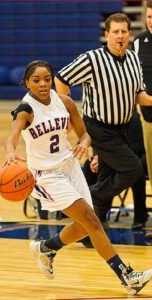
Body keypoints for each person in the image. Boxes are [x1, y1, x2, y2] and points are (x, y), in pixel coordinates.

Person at [3, 59, 152, 295]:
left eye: (47, 79)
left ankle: (47, 248)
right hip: (47, 175)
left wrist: (83, 144)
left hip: (70, 167)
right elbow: (12, 135)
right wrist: (11, 151)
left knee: (84, 226)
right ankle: (127, 276)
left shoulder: (64, 101)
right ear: (27, 83)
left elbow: (84, 134)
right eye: (36, 80)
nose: (42, 84)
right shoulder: (26, 109)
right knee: (93, 222)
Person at [54, 13, 152, 230]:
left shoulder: (134, 60)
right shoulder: (92, 59)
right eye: (115, 32)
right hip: (99, 128)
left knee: (107, 175)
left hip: (124, 128)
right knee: (133, 170)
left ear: (130, 34)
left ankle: (90, 231)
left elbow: (139, 95)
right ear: (107, 35)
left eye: (124, 32)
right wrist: (69, 114)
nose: (120, 36)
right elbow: (61, 79)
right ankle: (92, 198)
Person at [82, 110, 149, 231]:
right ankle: (96, 215)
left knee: (135, 171)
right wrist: (95, 157)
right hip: (110, 155)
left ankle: (140, 217)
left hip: (133, 156)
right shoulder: (99, 119)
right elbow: (91, 141)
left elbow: (138, 147)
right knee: (88, 166)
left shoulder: (133, 118)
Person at [132, 1, 152, 189]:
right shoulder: (138, 42)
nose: (151, 21)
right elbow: (135, 75)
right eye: (149, 17)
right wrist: (137, 101)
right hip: (148, 115)